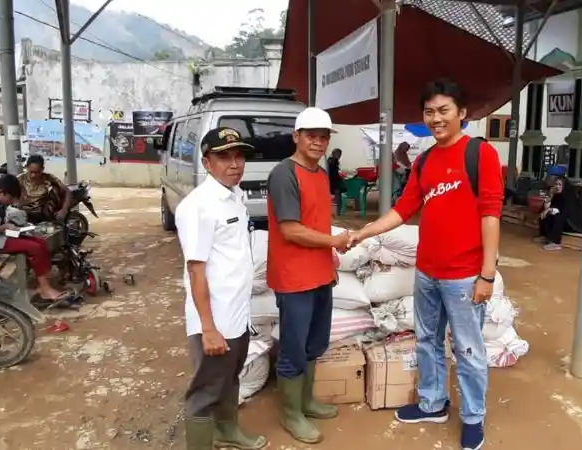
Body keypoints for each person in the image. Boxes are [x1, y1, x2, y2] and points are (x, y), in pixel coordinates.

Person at [349, 79, 503, 450]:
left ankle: (472, 418)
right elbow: (404, 209)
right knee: (428, 341)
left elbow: (491, 215)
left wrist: (487, 273)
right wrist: (367, 230)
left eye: (443, 110)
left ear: (462, 113)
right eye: (429, 112)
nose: (436, 118)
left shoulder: (479, 154)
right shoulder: (425, 161)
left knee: (468, 349)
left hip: (465, 277)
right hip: (428, 273)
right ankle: (433, 403)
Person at [175, 127, 267, 450]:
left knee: (230, 379)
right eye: (224, 157)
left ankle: (228, 432)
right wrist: (208, 328)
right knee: (205, 391)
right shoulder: (198, 206)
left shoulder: (235, 197)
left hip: (236, 314)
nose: (235, 163)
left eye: (239, 155)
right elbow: (196, 270)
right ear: (207, 162)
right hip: (214, 319)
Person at [266, 107, 350, 444]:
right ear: (296, 136)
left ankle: (306, 400)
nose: (318, 142)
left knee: (315, 343)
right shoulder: (284, 174)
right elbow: (290, 230)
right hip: (293, 277)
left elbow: (316, 223)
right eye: (311, 135)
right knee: (293, 347)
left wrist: (329, 258)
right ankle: (291, 414)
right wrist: (334, 241)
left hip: (319, 274)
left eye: (323, 136)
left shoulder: (320, 173)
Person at [0, 174, 68, 302]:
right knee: (35, 248)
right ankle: (45, 290)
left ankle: (42, 284)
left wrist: (13, 228)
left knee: (40, 242)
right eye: (11, 198)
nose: (11, 202)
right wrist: (5, 227)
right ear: (1, 192)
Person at [17, 154, 72, 223]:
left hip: (42, 215)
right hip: (23, 214)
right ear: (27, 168)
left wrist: (64, 209)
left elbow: (67, 192)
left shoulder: (48, 178)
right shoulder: (19, 179)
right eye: (31, 172)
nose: (33, 175)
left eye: (37, 172)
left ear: (42, 169)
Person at [534, 177, 567, 251]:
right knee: (543, 212)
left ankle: (556, 243)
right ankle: (545, 236)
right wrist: (550, 194)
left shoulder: (566, 196)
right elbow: (547, 206)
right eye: (556, 184)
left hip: (568, 222)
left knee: (556, 216)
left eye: (560, 184)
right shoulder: (556, 195)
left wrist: (549, 210)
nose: (557, 186)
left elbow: (561, 210)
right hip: (556, 215)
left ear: (563, 186)